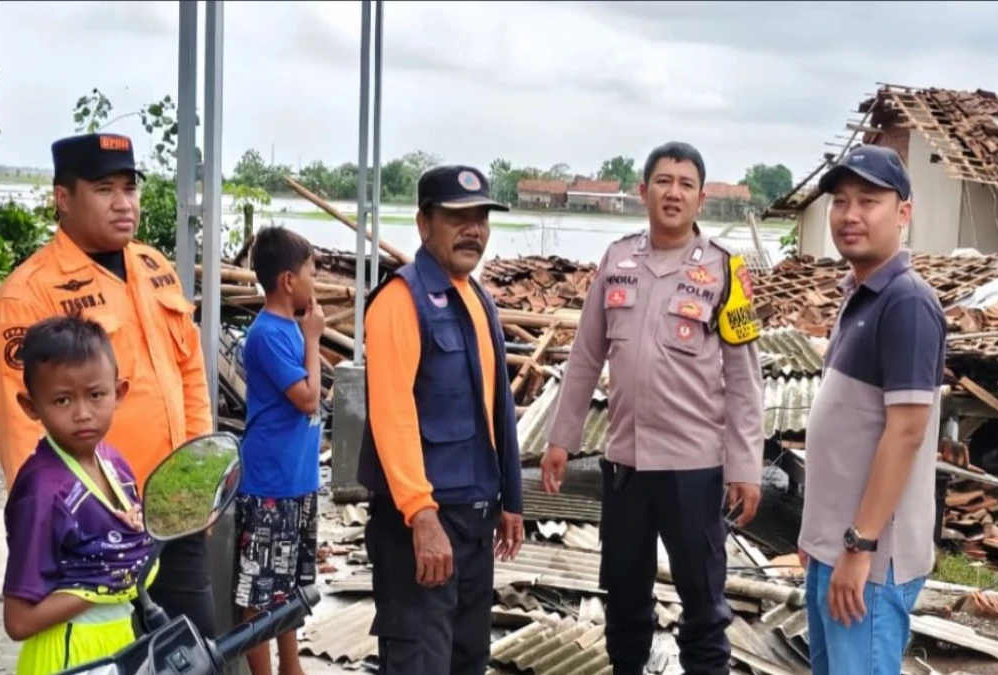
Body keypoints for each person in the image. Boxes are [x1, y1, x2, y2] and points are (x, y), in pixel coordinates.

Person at [540, 141, 766, 675]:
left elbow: (744, 378)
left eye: (686, 184)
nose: (673, 193)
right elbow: (585, 356)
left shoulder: (726, 271)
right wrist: (560, 439)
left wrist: (745, 468)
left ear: (701, 198)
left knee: (704, 608)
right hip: (625, 468)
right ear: (643, 191)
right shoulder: (617, 260)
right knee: (624, 600)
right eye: (663, 181)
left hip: (694, 470)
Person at [0, 133, 218, 637]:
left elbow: (190, 374)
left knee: (194, 654)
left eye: (130, 188)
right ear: (63, 199)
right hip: (96, 536)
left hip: (175, 514)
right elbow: (21, 435)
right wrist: (56, 541)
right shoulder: (29, 295)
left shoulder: (154, 268)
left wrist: (201, 481)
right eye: (104, 189)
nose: (124, 203)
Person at [358, 164, 525, 675]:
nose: (473, 229)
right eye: (458, 217)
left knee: (467, 659)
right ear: (424, 223)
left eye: (480, 218)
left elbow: (499, 412)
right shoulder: (399, 302)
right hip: (421, 527)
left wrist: (511, 499)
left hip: (474, 526)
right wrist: (421, 515)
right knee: (418, 661)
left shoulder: (478, 301)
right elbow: (393, 417)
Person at [796, 144, 945, 675]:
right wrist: (817, 538)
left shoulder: (906, 302)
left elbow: (904, 434)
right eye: (839, 201)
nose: (850, 215)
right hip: (836, 547)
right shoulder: (860, 294)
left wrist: (859, 548)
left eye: (868, 201)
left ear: (903, 213)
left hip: (871, 561)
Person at [1, 315, 157, 675]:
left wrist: (134, 532)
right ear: (31, 406)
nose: (83, 414)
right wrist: (98, 584)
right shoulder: (41, 490)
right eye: (62, 400)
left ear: (118, 394)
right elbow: (18, 621)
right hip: (67, 654)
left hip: (117, 644)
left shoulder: (114, 462)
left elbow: (118, 558)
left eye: (96, 395)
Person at [232, 225, 324, 675]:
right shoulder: (268, 334)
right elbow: (307, 397)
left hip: (298, 481)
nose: (316, 281)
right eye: (311, 272)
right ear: (288, 280)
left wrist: (308, 337)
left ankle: (293, 667)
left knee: (287, 584)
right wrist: (314, 339)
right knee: (259, 589)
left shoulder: (292, 328)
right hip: (270, 484)